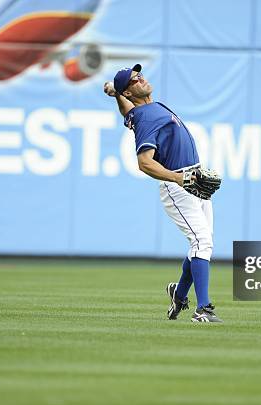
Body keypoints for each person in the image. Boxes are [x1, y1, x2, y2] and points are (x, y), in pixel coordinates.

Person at [103, 64, 222, 323]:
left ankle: (179, 295)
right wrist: (179, 179)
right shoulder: (145, 117)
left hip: (194, 180)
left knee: (200, 245)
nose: (141, 79)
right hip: (179, 184)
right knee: (202, 242)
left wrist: (117, 93)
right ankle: (203, 308)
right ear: (130, 92)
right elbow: (144, 162)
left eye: (140, 75)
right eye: (135, 80)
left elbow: (128, 112)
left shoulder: (140, 110)